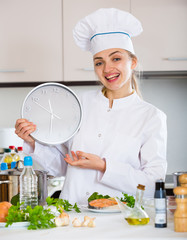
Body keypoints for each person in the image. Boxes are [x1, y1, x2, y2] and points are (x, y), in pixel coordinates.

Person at [15, 8, 167, 205]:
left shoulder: (151, 116)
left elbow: (153, 184)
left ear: (133, 62)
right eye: (99, 62)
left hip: (120, 220)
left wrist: (103, 166)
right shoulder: (77, 104)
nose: (107, 69)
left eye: (116, 58)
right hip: (72, 214)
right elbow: (63, 166)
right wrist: (33, 142)